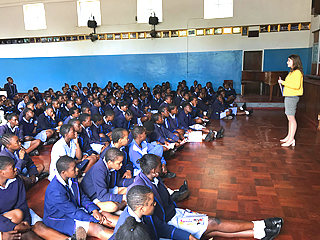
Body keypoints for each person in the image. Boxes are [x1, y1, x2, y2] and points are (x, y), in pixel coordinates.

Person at [129, 154, 284, 240]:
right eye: (160, 166)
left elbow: (167, 201)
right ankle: (260, 224)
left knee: (211, 230)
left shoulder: (152, 178)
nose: (163, 167)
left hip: (176, 214)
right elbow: (155, 222)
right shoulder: (141, 190)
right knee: (213, 223)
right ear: (154, 171)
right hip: (170, 222)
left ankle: (260, 232)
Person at [43, 156, 116, 238]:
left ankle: (129, 228)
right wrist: (96, 219)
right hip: (60, 219)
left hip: (74, 210)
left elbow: (82, 197)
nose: (77, 169)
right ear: (64, 172)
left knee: (104, 214)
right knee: (96, 228)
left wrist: (94, 210)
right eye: (73, 169)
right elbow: (73, 212)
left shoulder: (71, 178)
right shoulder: (55, 191)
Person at [0, 156, 70, 240]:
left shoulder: (17, 180)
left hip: (21, 213)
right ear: (2, 172)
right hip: (4, 220)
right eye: (12, 168)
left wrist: (26, 221)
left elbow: (22, 203)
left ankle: (68, 239)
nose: (16, 169)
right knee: (27, 233)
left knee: (39, 227)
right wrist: (14, 227)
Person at [111, 185, 196, 240]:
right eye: (152, 203)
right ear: (141, 208)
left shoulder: (145, 213)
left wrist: (187, 236)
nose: (155, 204)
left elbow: (162, 228)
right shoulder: (127, 232)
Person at [81, 148, 133, 213]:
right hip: (94, 196)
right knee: (113, 207)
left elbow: (117, 182)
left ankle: (121, 203)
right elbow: (102, 196)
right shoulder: (99, 170)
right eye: (119, 163)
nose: (121, 165)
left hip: (104, 191)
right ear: (110, 162)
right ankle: (125, 203)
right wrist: (124, 198)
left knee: (127, 190)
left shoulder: (110, 167)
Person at [278, 54, 303, 147]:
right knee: (289, 118)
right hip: (289, 96)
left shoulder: (297, 72)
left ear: (294, 61)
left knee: (291, 118)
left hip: (292, 97)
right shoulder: (292, 72)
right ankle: (289, 136)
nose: (287, 62)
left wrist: (283, 82)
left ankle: (291, 139)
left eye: (289, 60)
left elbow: (296, 86)